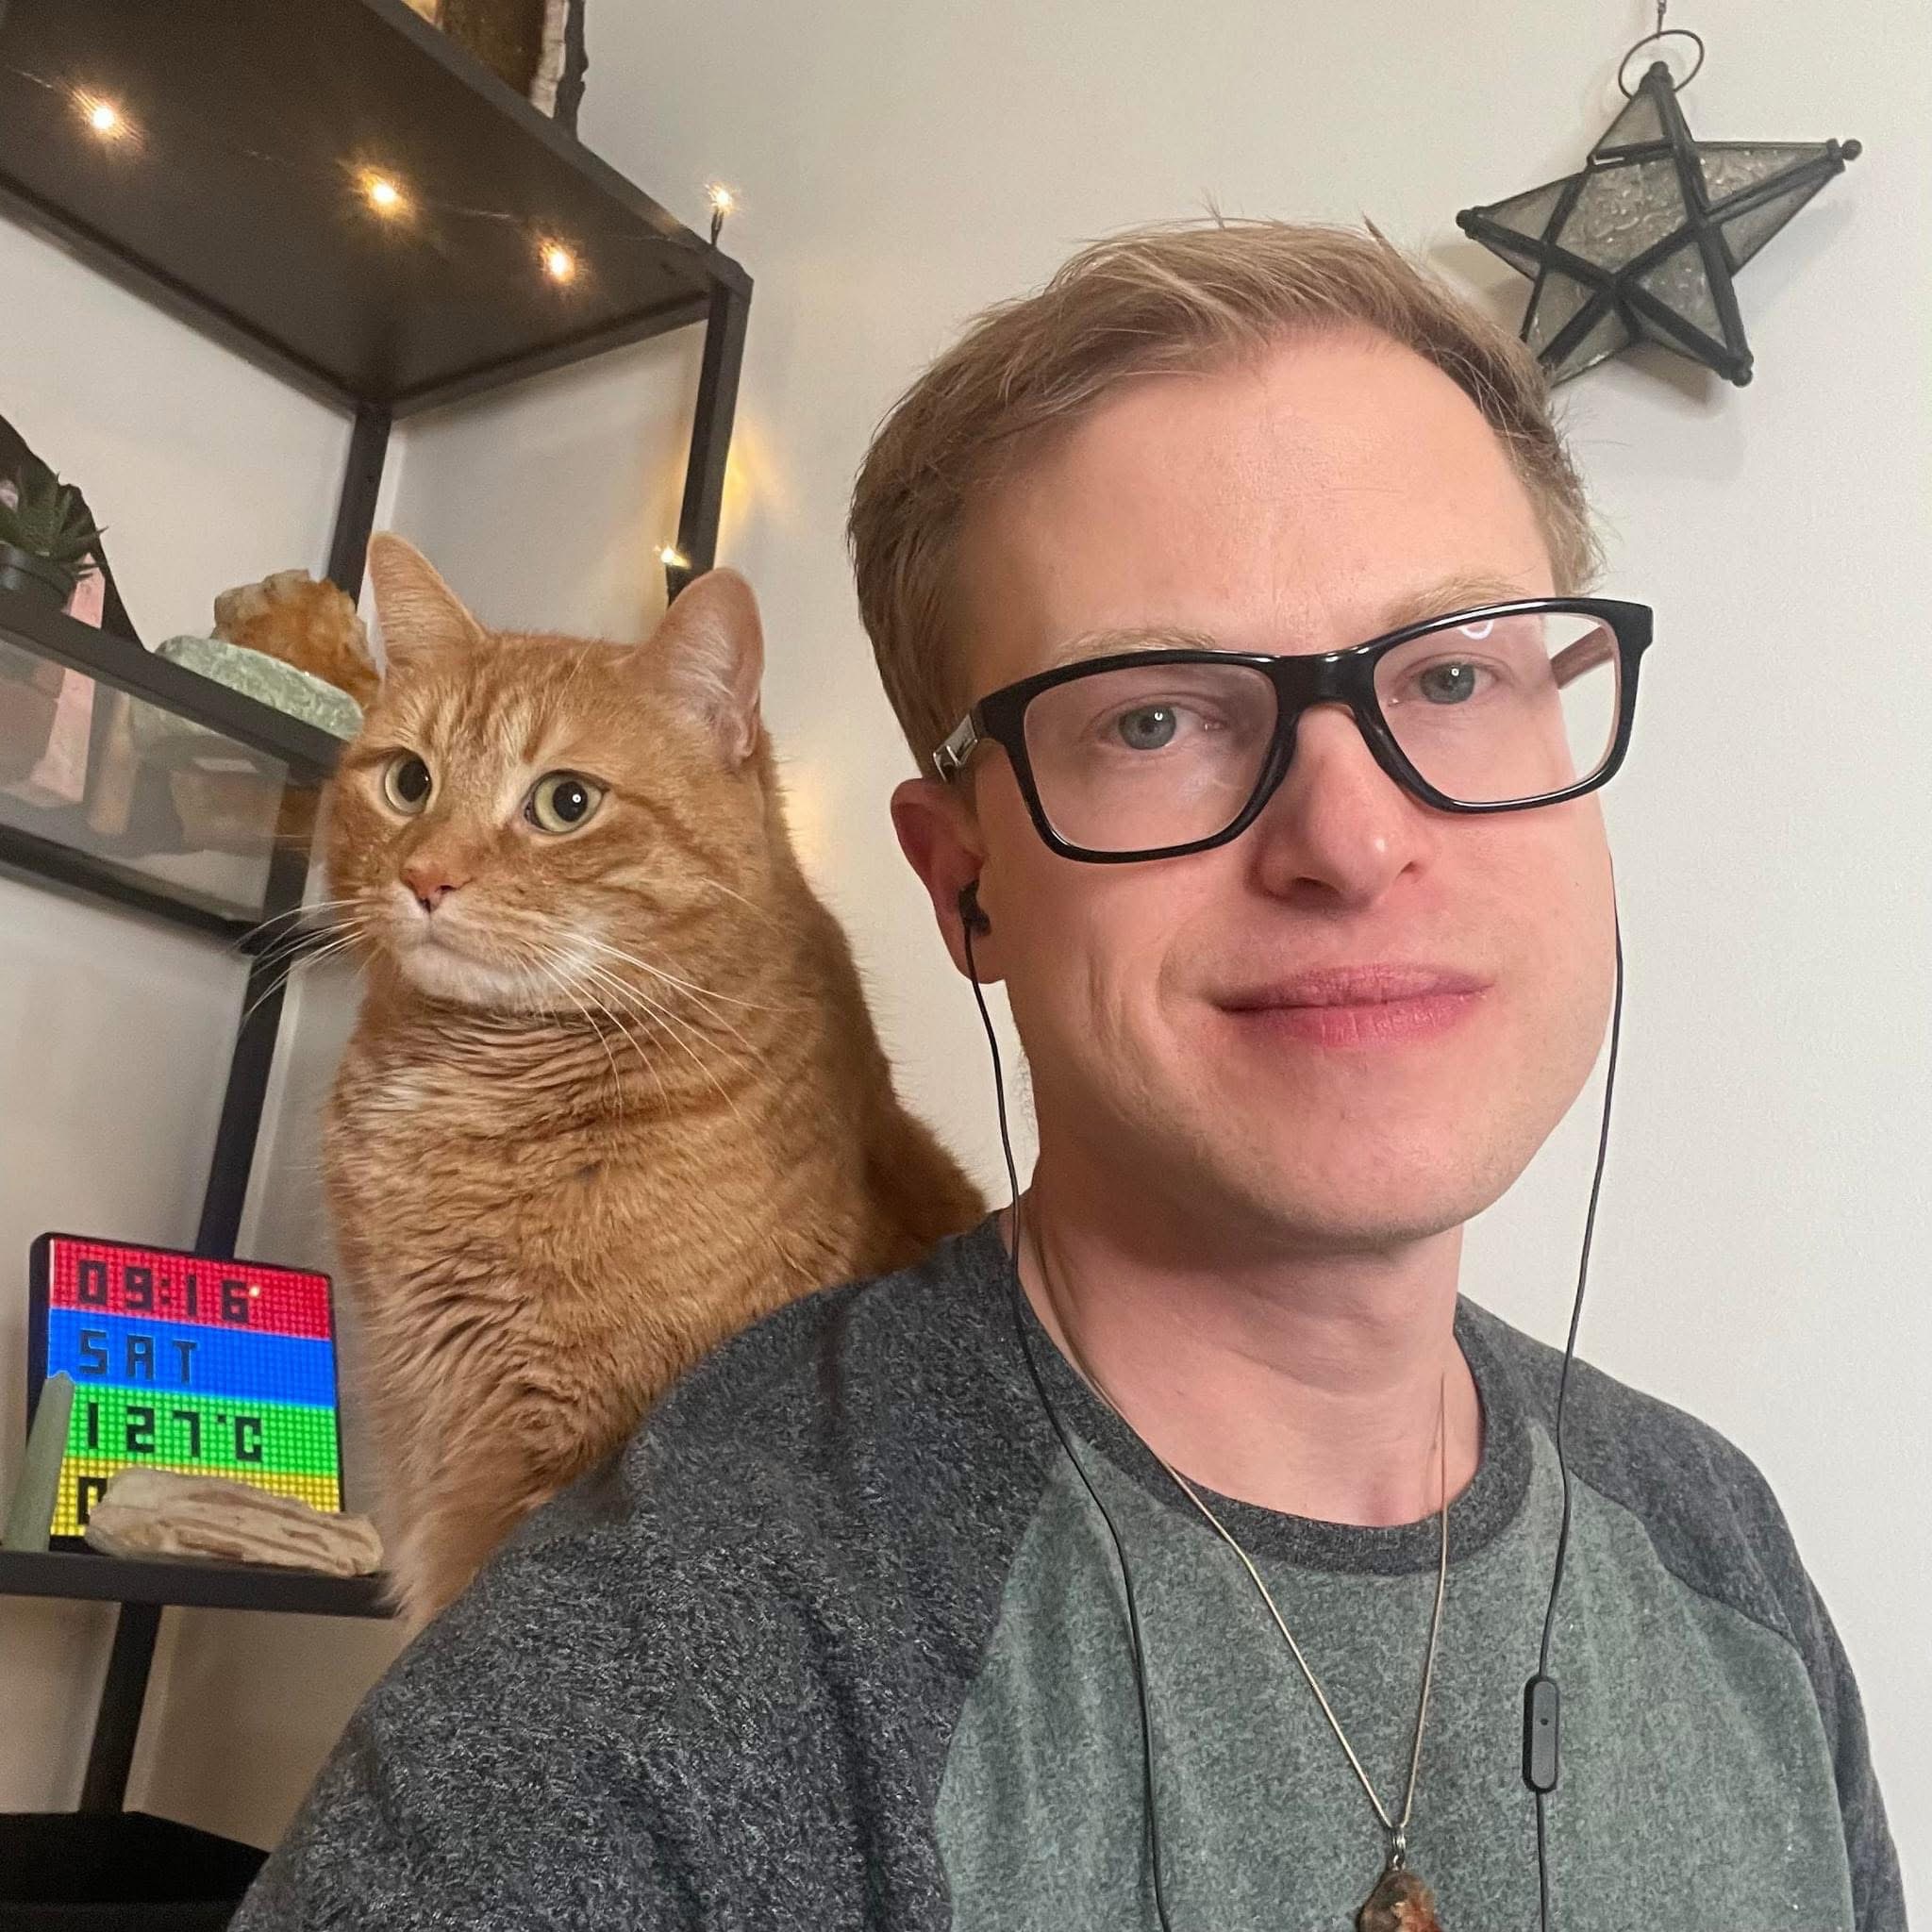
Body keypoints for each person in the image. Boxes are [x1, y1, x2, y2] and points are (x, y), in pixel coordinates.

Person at [232, 218, 1902, 1930]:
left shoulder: (1720, 1545)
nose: (1349, 838)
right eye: (1154, 716)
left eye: (1457, 673)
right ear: (965, 883)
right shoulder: (650, 1654)